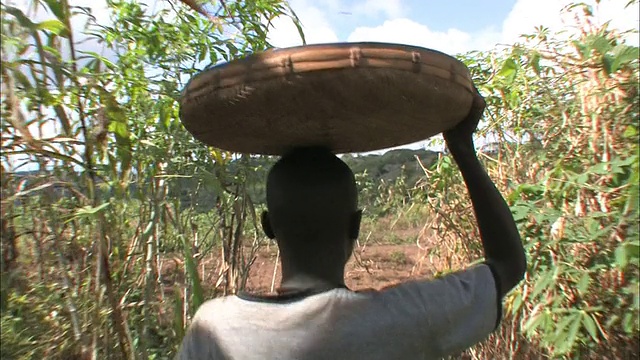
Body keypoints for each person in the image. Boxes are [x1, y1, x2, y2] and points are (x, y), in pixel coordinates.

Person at [176, 90, 527, 360]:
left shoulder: (214, 328)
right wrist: (462, 146)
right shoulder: (404, 317)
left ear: (267, 226)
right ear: (355, 225)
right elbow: (508, 265)